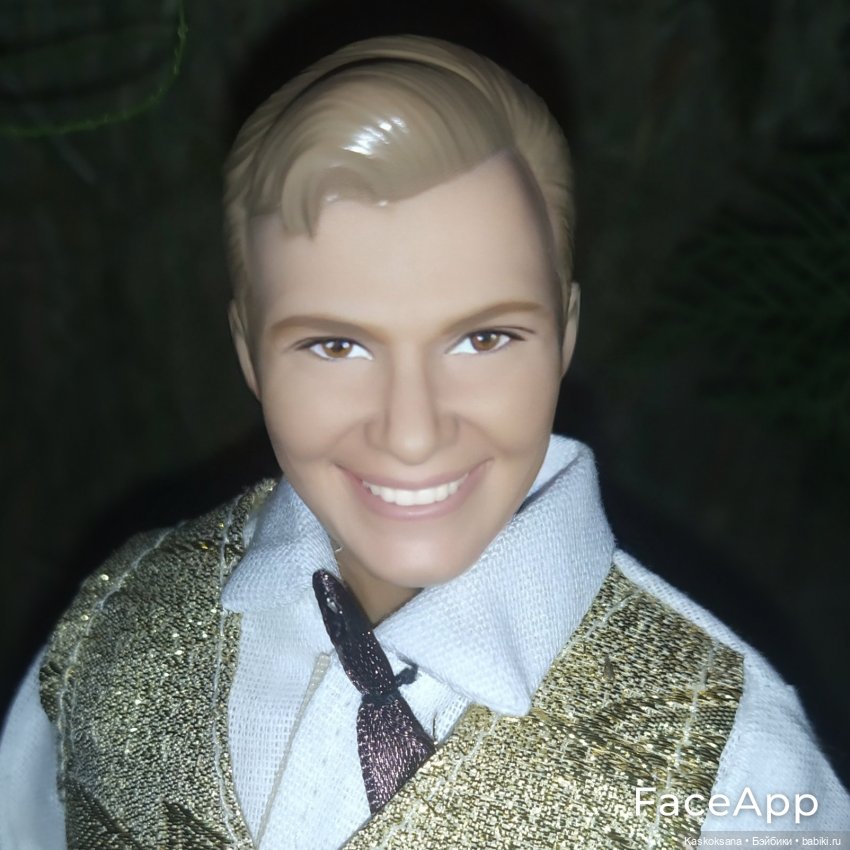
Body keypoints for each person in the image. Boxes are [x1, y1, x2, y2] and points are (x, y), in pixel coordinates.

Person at [1, 34, 848, 850]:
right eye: (336, 346)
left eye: (484, 339)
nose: (411, 432)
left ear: (565, 336)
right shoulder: (116, 631)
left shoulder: (728, 760)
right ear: (248, 354)